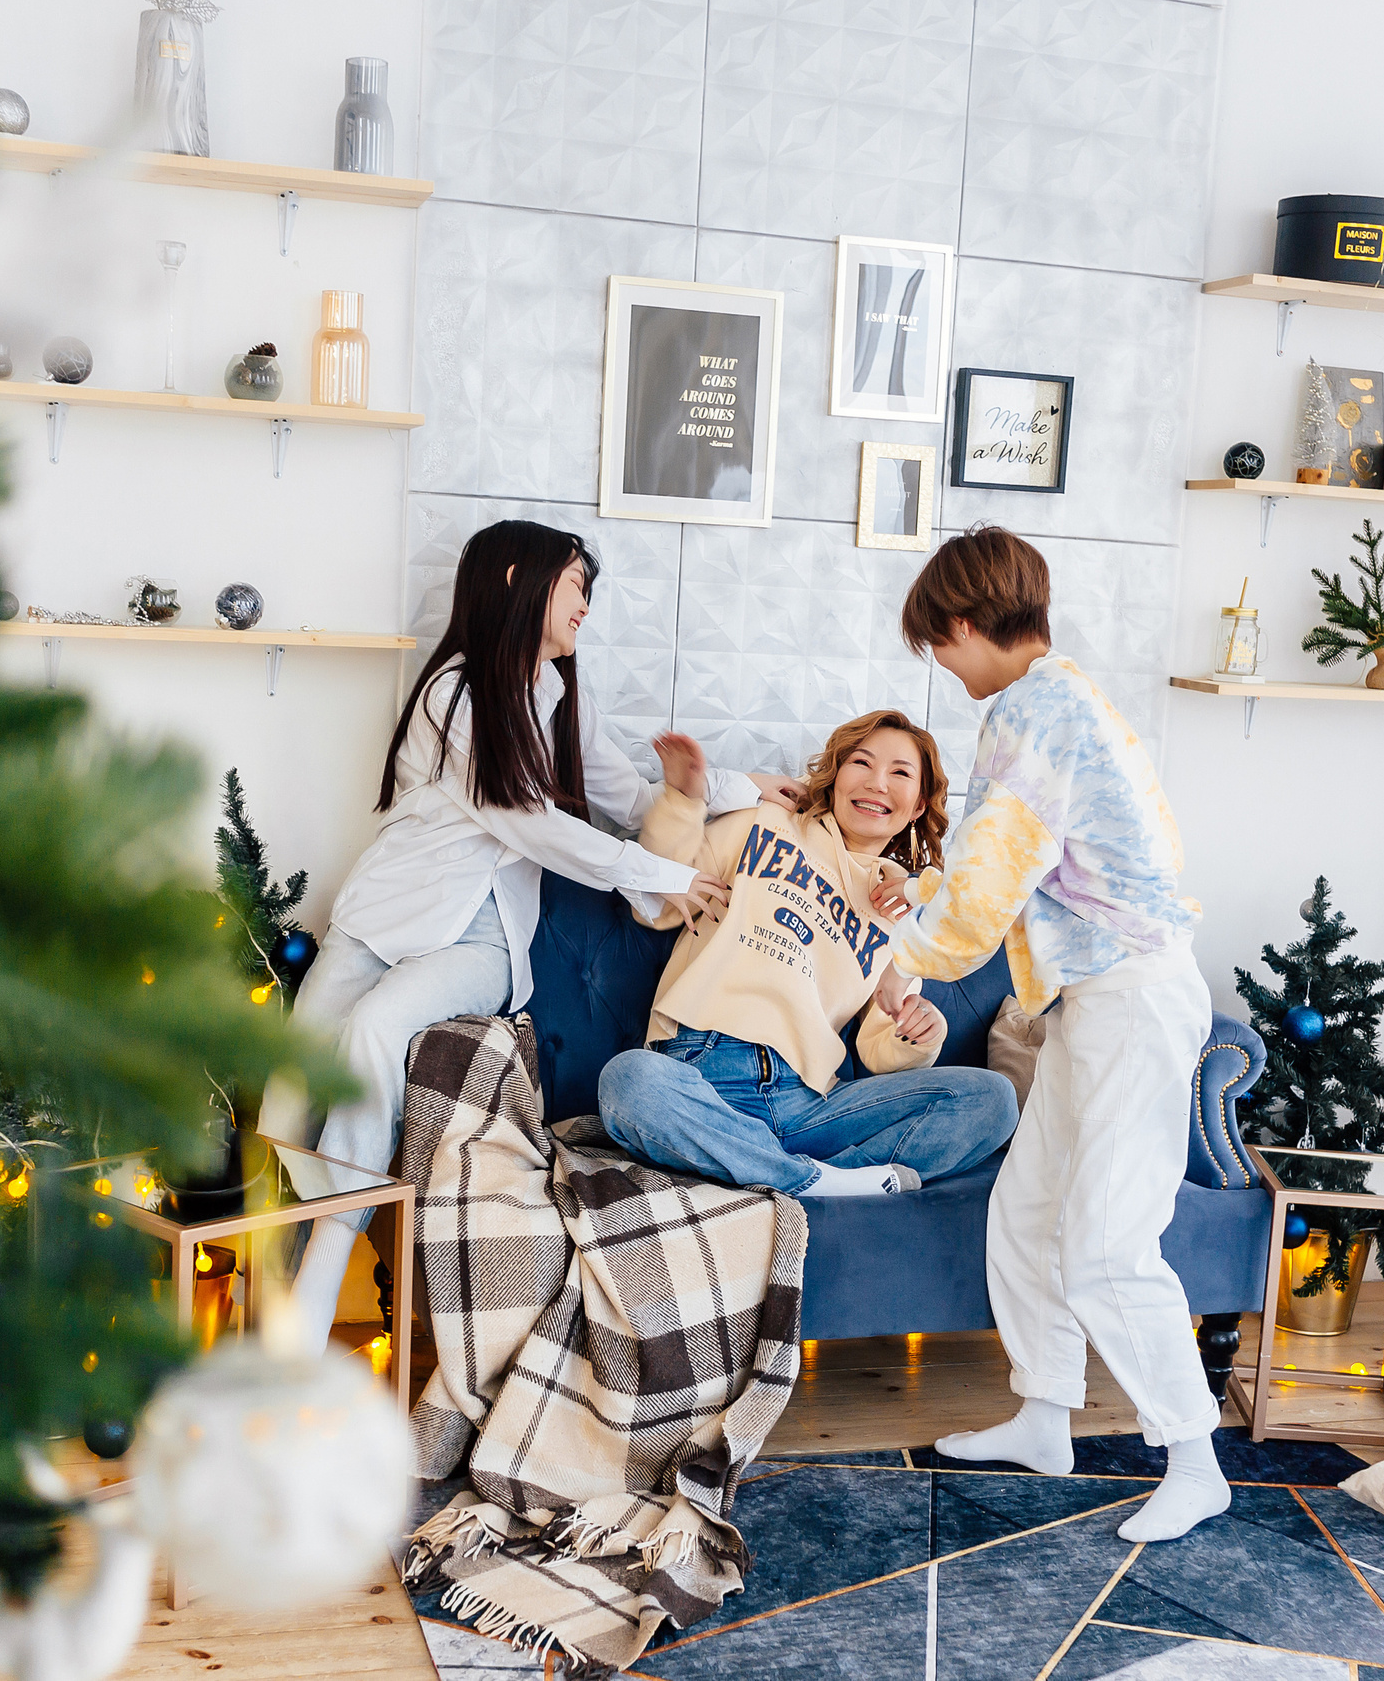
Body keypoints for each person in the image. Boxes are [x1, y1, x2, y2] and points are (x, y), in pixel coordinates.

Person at [274, 519, 766, 1348]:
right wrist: (666, 876)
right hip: (381, 917)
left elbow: (626, 798)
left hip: (484, 937)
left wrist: (736, 788)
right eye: (577, 583)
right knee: (286, 1089)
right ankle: (307, 1250)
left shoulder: (565, 699)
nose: (586, 605)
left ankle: (326, 1263)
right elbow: (527, 821)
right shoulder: (454, 692)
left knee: (372, 1033)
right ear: (517, 577)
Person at [867, 526, 1221, 1545]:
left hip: (1132, 1000)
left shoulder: (1029, 715)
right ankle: (1042, 1418)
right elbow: (1016, 865)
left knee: (1107, 1241)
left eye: (938, 644)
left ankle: (1194, 1461)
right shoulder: (1065, 699)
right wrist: (924, 896)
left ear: (966, 623)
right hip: (1098, 997)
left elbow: (987, 885)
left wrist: (910, 957)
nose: (939, 664)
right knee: (1027, 1211)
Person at [596, 710, 1019, 1199]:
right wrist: (683, 798)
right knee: (629, 1082)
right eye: (862, 763)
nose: (878, 782)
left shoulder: (901, 907)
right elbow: (658, 907)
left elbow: (880, 1051)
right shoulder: (765, 823)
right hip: (700, 1076)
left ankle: (767, 1168)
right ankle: (813, 1182)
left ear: (919, 805)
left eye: (900, 773)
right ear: (836, 776)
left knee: (992, 1100)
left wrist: (919, 1033)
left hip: (810, 1106)